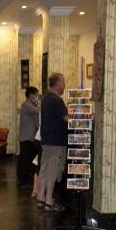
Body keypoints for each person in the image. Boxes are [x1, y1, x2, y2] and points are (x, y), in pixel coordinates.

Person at [37, 73, 68, 212]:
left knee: (44, 169)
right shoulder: (57, 100)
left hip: (46, 140)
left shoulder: (45, 99)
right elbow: (67, 119)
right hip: (56, 141)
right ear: (58, 84)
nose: (64, 86)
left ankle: (41, 198)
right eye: (63, 82)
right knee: (52, 170)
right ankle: (49, 201)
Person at [17, 86, 39, 187]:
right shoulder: (27, 105)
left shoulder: (30, 105)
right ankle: (23, 181)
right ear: (31, 95)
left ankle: (24, 179)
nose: (36, 97)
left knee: (26, 159)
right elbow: (39, 111)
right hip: (26, 137)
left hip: (29, 137)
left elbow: (36, 121)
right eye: (36, 95)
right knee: (25, 160)